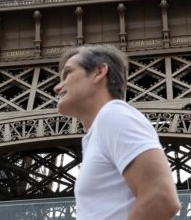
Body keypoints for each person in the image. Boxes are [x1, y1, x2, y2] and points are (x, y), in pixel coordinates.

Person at [54, 45, 180, 220]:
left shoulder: (114, 114)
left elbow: (160, 197)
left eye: (68, 73)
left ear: (99, 72)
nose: (57, 87)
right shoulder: (98, 132)